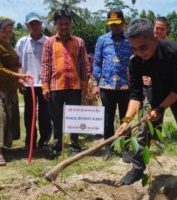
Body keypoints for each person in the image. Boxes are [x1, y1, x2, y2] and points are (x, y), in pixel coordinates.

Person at [115, 19, 177, 200]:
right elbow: (136, 94)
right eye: (134, 49)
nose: (138, 53)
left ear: (154, 38)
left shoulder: (174, 52)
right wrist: (127, 121)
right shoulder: (136, 61)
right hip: (155, 96)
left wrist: (160, 109)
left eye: (142, 47)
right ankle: (137, 169)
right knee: (144, 133)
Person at [41, 9, 89, 158]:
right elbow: (46, 65)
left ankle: (74, 143)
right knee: (57, 117)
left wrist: (85, 86)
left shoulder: (79, 42)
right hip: (56, 86)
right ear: (55, 24)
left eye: (66, 24)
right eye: (60, 24)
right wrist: (45, 86)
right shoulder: (49, 42)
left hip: (74, 86)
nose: (64, 27)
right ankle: (57, 145)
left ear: (70, 24)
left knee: (75, 116)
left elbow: (84, 65)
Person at [92, 9, 132, 160]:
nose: (115, 27)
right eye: (112, 24)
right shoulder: (102, 40)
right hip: (106, 86)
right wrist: (96, 83)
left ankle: (126, 148)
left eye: (117, 24)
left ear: (123, 22)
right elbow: (97, 62)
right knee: (107, 118)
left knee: (125, 118)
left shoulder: (130, 39)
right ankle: (108, 147)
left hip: (125, 86)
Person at [15, 12, 52, 149]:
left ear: (41, 24)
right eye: (32, 24)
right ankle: (30, 140)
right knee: (29, 113)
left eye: (37, 23)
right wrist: (20, 77)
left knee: (45, 113)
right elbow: (18, 63)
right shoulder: (22, 42)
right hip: (28, 83)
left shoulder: (49, 41)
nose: (35, 26)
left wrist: (48, 83)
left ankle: (45, 139)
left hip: (44, 84)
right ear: (27, 26)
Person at [0, 17, 32, 166]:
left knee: (10, 118)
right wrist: (18, 75)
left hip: (10, 88)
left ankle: (5, 148)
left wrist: (19, 81)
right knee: (1, 118)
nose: (8, 34)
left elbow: (15, 64)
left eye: (10, 31)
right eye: (4, 31)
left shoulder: (8, 45)